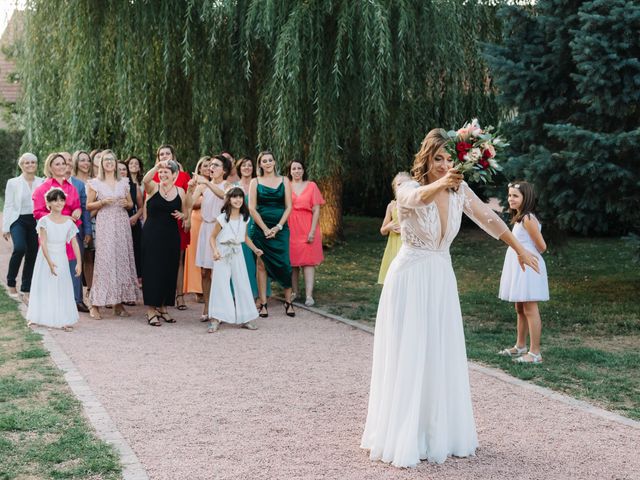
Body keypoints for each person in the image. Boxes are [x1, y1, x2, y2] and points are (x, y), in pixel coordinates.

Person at [361, 128, 540, 467]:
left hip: (441, 277)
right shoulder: (408, 185)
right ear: (425, 160)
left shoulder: (459, 189)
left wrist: (517, 249)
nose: (444, 165)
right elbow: (413, 200)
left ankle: (438, 432)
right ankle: (404, 434)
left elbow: (488, 217)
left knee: (440, 351)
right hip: (411, 279)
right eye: (437, 159)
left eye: (449, 159)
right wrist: (441, 183)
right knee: (412, 351)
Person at [86, 151, 141, 319]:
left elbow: (131, 203)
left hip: (121, 223)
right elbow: (88, 206)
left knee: (121, 260)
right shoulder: (95, 183)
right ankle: (95, 304)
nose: (109, 162)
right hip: (105, 223)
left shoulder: (123, 182)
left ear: (116, 163)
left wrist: (127, 203)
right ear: (101, 163)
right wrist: (102, 202)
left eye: (112, 160)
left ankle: (118, 304)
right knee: (105, 261)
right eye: (106, 160)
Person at [498, 181, 549, 364]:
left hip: (529, 267)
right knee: (519, 307)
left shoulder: (528, 218)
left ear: (525, 198)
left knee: (529, 308)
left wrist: (526, 251)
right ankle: (520, 346)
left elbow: (542, 247)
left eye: (515, 196)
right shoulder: (520, 217)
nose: (510, 199)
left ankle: (535, 353)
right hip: (519, 266)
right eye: (509, 195)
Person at [142, 160, 194, 326]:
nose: (163, 175)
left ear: (174, 175)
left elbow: (187, 211)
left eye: (167, 172)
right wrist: (157, 166)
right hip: (152, 234)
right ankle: (151, 310)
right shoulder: (153, 187)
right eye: (161, 172)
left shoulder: (180, 191)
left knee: (168, 270)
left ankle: (163, 308)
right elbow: (145, 180)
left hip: (171, 235)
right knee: (152, 270)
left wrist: (183, 215)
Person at [207, 187, 263, 332]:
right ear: (229, 200)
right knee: (221, 284)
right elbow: (212, 237)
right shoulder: (222, 218)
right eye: (234, 197)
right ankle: (216, 319)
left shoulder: (245, 218)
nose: (238, 200)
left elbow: (245, 238)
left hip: (237, 252)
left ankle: (246, 318)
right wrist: (215, 250)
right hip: (223, 252)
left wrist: (255, 249)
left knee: (242, 283)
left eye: (240, 197)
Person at [32, 153, 84, 312]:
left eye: (63, 163)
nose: (62, 166)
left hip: (68, 232)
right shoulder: (43, 188)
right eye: (57, 164)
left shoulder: (71, 188)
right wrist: (61, 218)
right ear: (50, 167)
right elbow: (38, 212)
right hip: (53, 235)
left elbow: (77, 206)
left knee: (69, 272)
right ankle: (48, 309)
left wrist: (77, 211)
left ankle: (69, 305)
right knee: (51, 272)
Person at [26, 188, 81, 331]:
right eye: (55, 200)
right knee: (43, 285)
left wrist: (79, 263)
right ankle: (37, 316)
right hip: (46, 257)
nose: (59, 202)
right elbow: (43, 242)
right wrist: (49, 262)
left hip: (61, 256)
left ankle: (62, 319)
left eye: (62, 200)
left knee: (62, 286)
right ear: (48, 203)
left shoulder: (69, 223)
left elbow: (74, 243)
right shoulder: (44, 221)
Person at [249, 151, 295, 318]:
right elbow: (252, 208)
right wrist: (265, 229)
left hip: (280, 228)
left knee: (285, 263)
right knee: (261, 265)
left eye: (270, 160)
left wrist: (277, 227)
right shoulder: (255, 182)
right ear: (260, 164)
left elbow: (289, 206)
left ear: (275, 162)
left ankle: (288, 301)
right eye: (264, 161)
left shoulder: (285, 180)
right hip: (260, 228)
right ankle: (264, 303)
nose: (267, 163)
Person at [152, 145, 192, 310]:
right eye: (161, 154)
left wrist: (187, 217)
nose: (165, 156)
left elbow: (187, 200)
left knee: (178, 260)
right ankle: (160, 297)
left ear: (173, 156)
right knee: (160, 260)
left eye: (167, 153)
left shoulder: (183, 176)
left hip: (177, 222)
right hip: (159, 223)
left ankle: (180, 296)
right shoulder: (155, 176)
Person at [193, 154, 230, 322]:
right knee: (204, 271)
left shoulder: (228, 185)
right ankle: (207, 306)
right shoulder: (202, 187)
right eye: (211, 165)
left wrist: (206, 182)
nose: (211, 167)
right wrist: (189, 190)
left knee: (219, 271)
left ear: (224, 170)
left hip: (220, 230)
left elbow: (224, 196)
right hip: (205, 228)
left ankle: (220, 307)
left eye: (216, 165)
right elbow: (188, 204)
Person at [2, 153, 44, 303]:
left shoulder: (42, 182)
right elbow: (8, 205)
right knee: (19, 248)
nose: (30, 165)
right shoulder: (13, 182)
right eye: (27, 163)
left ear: (37, 165)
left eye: (33, 162)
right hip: (18, 220)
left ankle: (26, 288)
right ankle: (11, 282)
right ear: (21, 165)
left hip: (36, 220)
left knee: (32, 254)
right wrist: (6, 227)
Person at [287, 160, 325, 306]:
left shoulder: (311, 186)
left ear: (303, 170)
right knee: (293, 263)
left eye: (299, 168)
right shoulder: (286, 186)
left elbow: (316, 209)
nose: (297, 171)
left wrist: (312, 231)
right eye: (294, 169)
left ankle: (309, 295)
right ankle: (295, 292)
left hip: (307, 225)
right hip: (291, 226)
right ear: (290, 171)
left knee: (308, 262)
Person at [235, 157, 271, 300]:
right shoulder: (234, 186)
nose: (247, 168)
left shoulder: (259, 184)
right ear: (239, 168)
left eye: (249, 165)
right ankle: (249, 294)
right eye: (243, 165)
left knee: (260, 258)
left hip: (258, 223)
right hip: (241, 225)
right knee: (245, 260)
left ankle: (262, 294)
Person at [63, 151, 92, 313]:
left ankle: (78, 300)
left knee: (76, 265)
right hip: (57, 231)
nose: (66, 164)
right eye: (63, 161)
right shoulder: (48, 184)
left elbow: (84, 209)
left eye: (68, 160)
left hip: (77, 231)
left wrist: (88, 230)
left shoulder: (79, 185)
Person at [183, 156, 210, 301]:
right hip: (196, 220)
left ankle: (209, 288)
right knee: (196, 255)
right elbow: (189, 204)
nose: (208, 168)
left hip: (211, 221)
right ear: (199, 168)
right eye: (205, 166)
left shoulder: (215, 183)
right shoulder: (195, 183)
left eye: (210, 165)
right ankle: (198, 290)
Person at [377, 172, 411, 285]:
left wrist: (406, 229)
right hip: (393, 246)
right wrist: (389, 226)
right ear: (394, 187)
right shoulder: (391, 206)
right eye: (399, 184)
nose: (402, 187)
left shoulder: (413, 205)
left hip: (407, 245)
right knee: (393, 278)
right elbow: (382, 230)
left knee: (406, 277)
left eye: (406, 184)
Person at [119, 160, 144, 289]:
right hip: (116, 225)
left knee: (133, 256)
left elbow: (141, 207)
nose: (121, 171)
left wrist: (135, 217)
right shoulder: (109, 187)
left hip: (133, 224)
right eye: (119, 169)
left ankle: (132, 287)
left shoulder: (134, 187)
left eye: (124, 169)